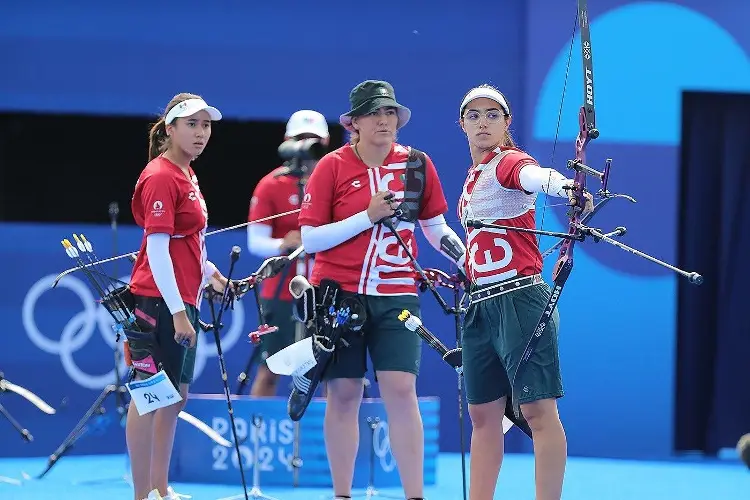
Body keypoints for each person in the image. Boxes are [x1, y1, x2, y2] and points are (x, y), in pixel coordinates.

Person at [298, 80, 467, 500]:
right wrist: (367, 216)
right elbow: (311, 238)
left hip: (398, 296)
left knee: (401, 390)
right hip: (338, 298)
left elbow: (434, 228)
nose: (384, 120)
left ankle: (414, 496)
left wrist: (471, 264)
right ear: (353, 123)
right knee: (343, 393)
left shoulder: (417, 165)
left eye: (390, 112)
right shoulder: (331, 167)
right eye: (374, 113)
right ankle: (342, 494)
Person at [456, 84, 593, 500]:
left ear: (506, 122)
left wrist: (568, 188)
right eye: (474, 115)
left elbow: (534, 176)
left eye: (492, 114)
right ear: (462, 124)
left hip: (520, 301)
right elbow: (482, 246)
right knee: (483, 415)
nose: (483, 122)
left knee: (537, 410)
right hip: (480, 305)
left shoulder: (508, 162)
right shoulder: (473, 176)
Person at [127, 92, 232, 500]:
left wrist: (209, 274)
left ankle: (160, 488)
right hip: (157, 301)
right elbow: (156, 250)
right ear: (170, 129)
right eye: (191, 124)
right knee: (150, 394)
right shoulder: (160, 175)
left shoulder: (187, 174)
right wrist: (178, 313)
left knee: (176, 396)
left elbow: (185, 241)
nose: (201, 132)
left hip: (182, 297)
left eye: (206, 125)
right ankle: (141, 495)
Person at [246, 109, 330, 396]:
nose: (307, 146)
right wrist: (283, 244)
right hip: (280, 293)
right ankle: (256, 439)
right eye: (300, 139)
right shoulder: (272, 183)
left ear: (326, 141)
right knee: (270, 370)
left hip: (324, 289)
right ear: (287, 142)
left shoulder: (336, 182)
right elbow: (255, 242)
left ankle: (333, 439)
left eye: (313, 140)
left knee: (333, 374)